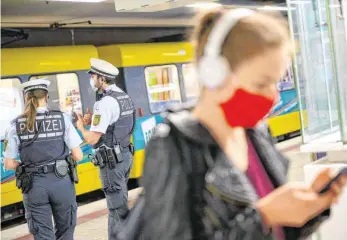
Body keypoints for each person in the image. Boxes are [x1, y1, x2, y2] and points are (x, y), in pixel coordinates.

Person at [128, 8, 347, 240]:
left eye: (276, 82)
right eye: (262, 83)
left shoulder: (256, 133)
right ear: (215, 74)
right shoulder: (174, 147)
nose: (273, 97)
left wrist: (310, 209)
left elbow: (279, 231)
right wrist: (264, 216)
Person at [3, 78, 83, 240]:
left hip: (34, 186)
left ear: (26, 98)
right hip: (61, 183)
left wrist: (25, 166)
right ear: (46, 97)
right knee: (65, 232)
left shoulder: (15, 125)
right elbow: (78, 155)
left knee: (42, 235)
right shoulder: (62, 120)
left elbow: (9, 163)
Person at [75, 58, 135, 239]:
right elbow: (116, 123)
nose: (92, 80)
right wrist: (93, 119)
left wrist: (81, 127)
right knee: (117, 205)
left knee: (117, 209)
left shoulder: (104, 103)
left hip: (112, 163)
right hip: (124, 156)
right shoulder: (123, 96)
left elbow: (93, 139)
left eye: (93, 76)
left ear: (102, 79)